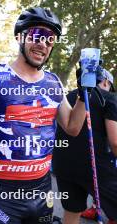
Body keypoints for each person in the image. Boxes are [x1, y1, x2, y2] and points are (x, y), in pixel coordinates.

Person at [0, 7, 89, 224]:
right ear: (21, 37)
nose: (44, 44)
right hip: (1, 193)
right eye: (38, 35)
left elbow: (72, 127)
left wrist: (84, 95)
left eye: (50, 40)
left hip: (41, 189)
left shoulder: (54, 82)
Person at [52, 68, 117, 224]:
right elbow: (115, 141)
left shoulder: (68, 96)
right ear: (106, 82)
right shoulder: (109, 98)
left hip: (63, 164)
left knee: (72, 211)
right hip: (95, 165)